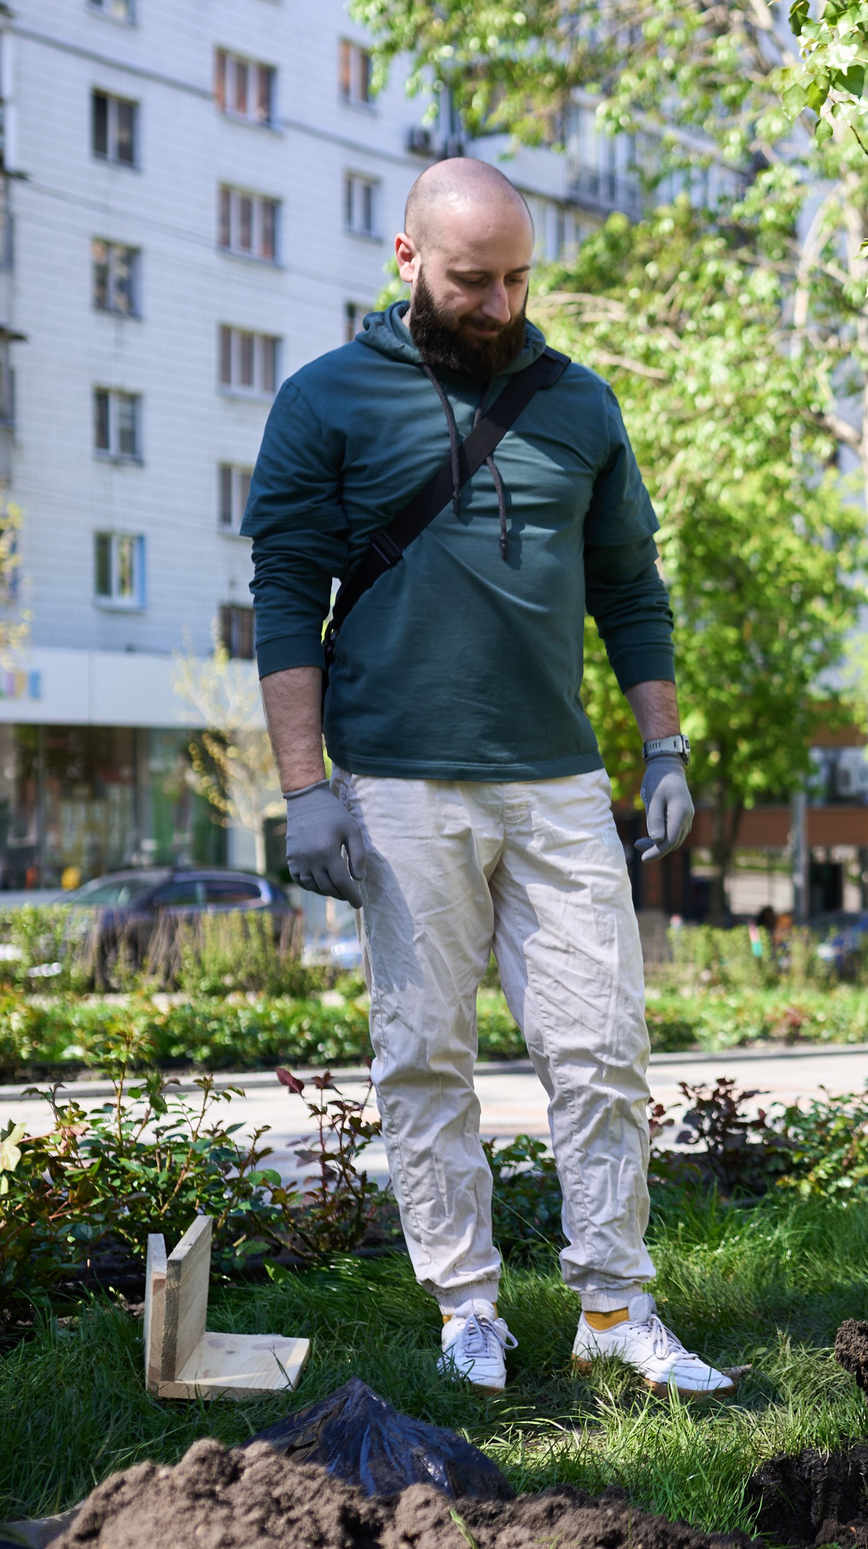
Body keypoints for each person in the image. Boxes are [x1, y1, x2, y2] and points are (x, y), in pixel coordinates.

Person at [246, 159, 735, 1401]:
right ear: (407, 260)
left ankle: (613, 1307)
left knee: (604, 1047)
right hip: (398, 783)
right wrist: (305, 788)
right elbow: (286, 600)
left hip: (559, 782)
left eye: (518, 277)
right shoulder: (323, 401)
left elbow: (632, 592)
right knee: (423, 1053)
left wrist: (662, 745)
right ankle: (468, 1305)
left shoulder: (581, 407)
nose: (501, 302)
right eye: (473, 279)